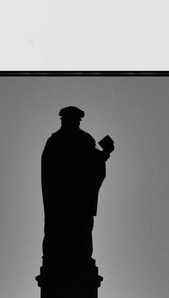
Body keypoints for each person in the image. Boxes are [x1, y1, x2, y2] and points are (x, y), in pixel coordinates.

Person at [40, 106, 115, 266]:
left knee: (76, 230)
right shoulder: (64, 141)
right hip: (64, 199)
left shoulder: (63, 141)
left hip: (76, 200)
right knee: (66, 230)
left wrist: (104, 154)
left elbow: (94, 163)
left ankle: (73, 259)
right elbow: (49, 173)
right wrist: (104, 155)